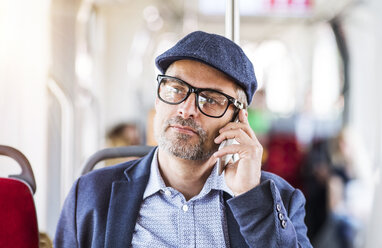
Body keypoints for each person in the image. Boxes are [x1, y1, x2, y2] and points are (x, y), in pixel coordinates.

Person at [54, 31, 312, 247]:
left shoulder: (279, 201)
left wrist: (251, 199)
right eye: (176, 89)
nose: (186, 109)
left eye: (210, 99)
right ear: (158, 98)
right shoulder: (91, 196)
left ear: (237, 118)